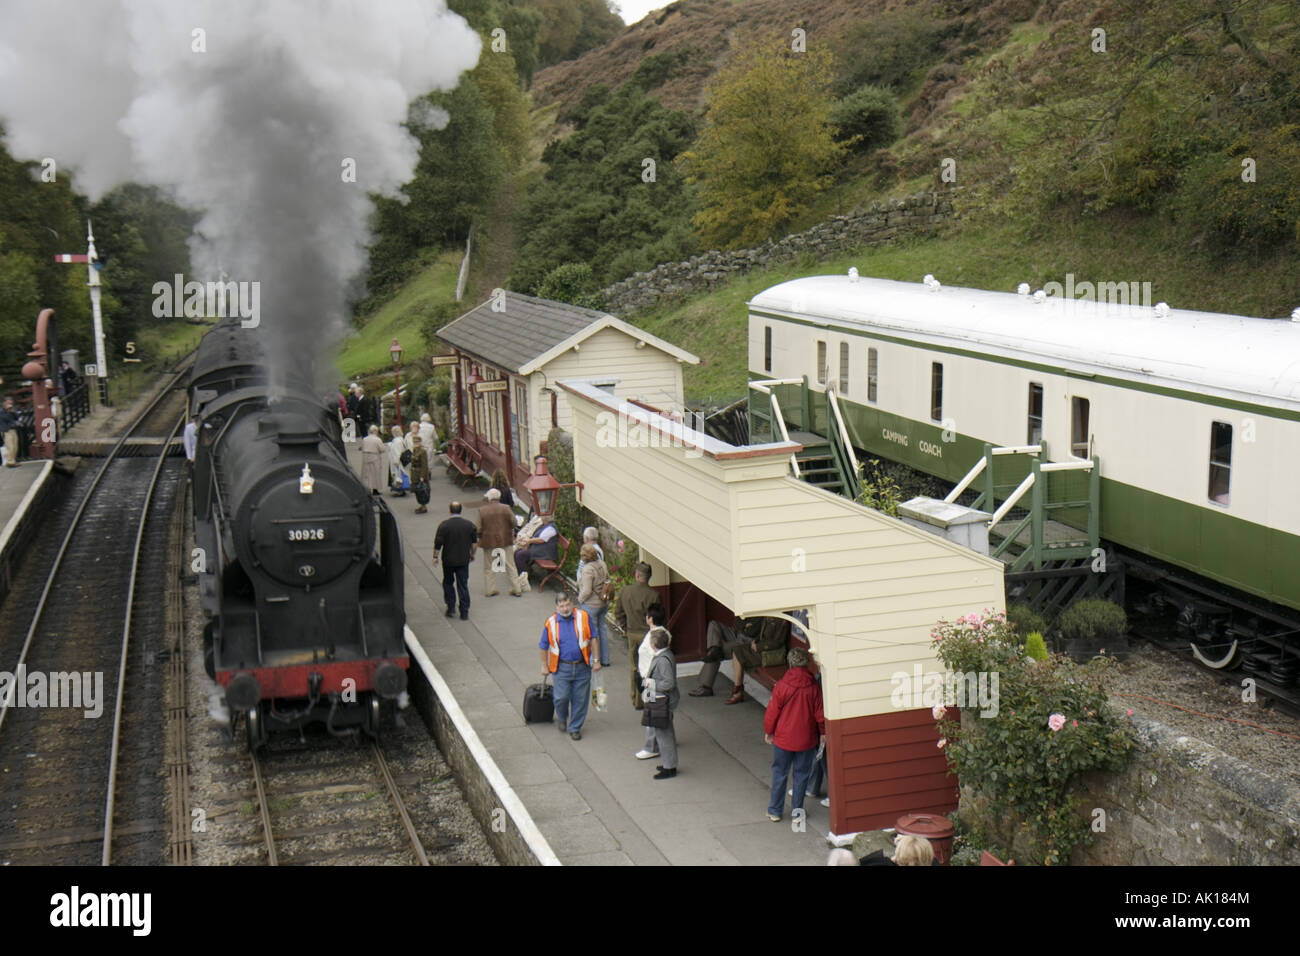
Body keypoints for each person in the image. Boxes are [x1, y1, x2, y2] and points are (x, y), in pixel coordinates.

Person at [763, 647, 825, 823]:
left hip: (783, 739)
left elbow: (772, 712)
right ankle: (797, 813)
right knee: (801, 775)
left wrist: (769, 731)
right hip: (806, 740)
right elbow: (819, 714)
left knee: (779, 773)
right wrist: (823, 733)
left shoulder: (782, 686)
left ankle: (775, 810)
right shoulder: (813, 687)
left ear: (790, 663)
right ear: (807, 663)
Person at [538, 592, 601, 740]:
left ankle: (575, 727)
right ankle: (562, 717)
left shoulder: (583, 617)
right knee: (561, 697)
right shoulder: (551, 623)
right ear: (556, 607)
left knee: (580, 699)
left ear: (572, 604)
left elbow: (593, 638)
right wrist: (544, 665)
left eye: (567, 605)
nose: (565, 609)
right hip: (561, 668)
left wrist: (596, 660)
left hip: (582, 666)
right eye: (561, 606)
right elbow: (543, 645)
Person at [693, 614, 791, 704]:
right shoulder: (744, 601)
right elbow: (738, 621)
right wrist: (744, 625)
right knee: (714, 625)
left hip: (748, 641)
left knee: (720, 651)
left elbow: (753, 631)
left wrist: (744, 625)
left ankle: (706, 686)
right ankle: (714, 648)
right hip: (738, 634)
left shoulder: (763, 610)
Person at [615, 562, 659, 708]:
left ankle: (635, 698)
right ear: (649, 577)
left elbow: (618, 612)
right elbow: (659, 618)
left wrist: (625, 628)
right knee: (649, 667)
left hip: (632, 633)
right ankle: (649, 698)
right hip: (649, 635)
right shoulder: (654, 595)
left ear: (637, 575)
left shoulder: (625, 591)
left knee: (634, 666)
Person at [643, 627, 678, 780]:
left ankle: (669, 767)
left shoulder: (662, 660)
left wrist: (650, 683)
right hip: (659, 699)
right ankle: (667, 762)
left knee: (664, 734)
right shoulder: (666, 655)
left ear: (654, 644)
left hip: (661, 700)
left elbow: (668, 683)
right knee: (662, 732)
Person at [634, 604, 668, 759]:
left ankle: (651, 747)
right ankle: (662, 739)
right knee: (658, 712)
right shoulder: (663, 633)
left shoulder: (654, 637)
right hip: (649, 678)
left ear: (650, 619)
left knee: (651, 714)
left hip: (649, 679)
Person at [433, 501, 477, 620]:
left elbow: (438, 543)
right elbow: (474, 543)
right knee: (462, 584)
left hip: (448, 560)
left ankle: (451, 607)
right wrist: (472, 554)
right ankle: (464, 611)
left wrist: (435, 557)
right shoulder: (469, 525)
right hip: (463, 559)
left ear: (450, 511)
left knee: (448, 582)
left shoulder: (444, 525)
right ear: (461, 510)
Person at [477, 487, 518, 596]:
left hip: (488, 541)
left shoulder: (482, 510)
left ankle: (490, 589)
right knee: (510, 565)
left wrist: (480, 536)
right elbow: (514, 522)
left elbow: (478, 528)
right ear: (499, 497)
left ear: (489, 498)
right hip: (505, 539)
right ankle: (516, 588)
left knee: (489, 567)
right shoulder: (506, 508)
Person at [576, 543, 612, 666]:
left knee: (592, 633)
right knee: (602, 629)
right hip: (603, 602)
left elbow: (587, 590)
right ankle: (605, 659)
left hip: (591, 604)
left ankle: (593, 660)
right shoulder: (603, 564)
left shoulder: (587, 570)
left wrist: (580, 599)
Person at [513, 517, 558, 589]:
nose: (541, 519)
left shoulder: (551, 528)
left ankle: (524, 580)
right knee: (517, 552)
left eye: (542, 518)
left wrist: (528, 541)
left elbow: (541, 540)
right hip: (539, 549)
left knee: (520, 555)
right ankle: (522, 575)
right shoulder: (545, 526)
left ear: (545, 519)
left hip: (544, 552)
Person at [359, 425, 386, 494]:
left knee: (366, 473)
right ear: (375, 431)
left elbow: (361, 447)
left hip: (366, 456)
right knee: (375, 474)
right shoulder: (377, 439)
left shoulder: (365, 439)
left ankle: (365, 488)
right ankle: (375, 489)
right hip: (374, 457)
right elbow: (382, 449)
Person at [409, 434, 431, 513]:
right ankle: (421, 506)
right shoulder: (414, 450)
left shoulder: (422, 451)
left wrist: (422, 476)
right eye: (414, 442)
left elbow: (424, 465)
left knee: (422, 491)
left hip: (420, 474)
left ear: (420, 442)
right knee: (417, 491)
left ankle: (423, 506)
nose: (416, 444)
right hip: (414, 474)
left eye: (417, 442)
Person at [387, 424, 409, 497]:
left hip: (396, 461)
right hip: (401, 461)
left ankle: (400, 490)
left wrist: (396, 461)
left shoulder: (396, 441)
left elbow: (397, 452)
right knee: (401, 474)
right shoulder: (401, 440)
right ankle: (401, 489)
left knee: (397, 475)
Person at [0, 397, 18, 467]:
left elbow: (17, 417)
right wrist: (8, 411)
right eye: (8, 402)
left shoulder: (12, 409)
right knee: (10, 446)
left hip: (13, 429)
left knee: (15, 446)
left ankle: (13, 460)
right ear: (4, 403)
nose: (10, 404)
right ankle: (10, 461)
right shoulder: (1, 410)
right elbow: (5, 418)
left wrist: (13, 412)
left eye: (11, 402)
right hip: (6, 430)